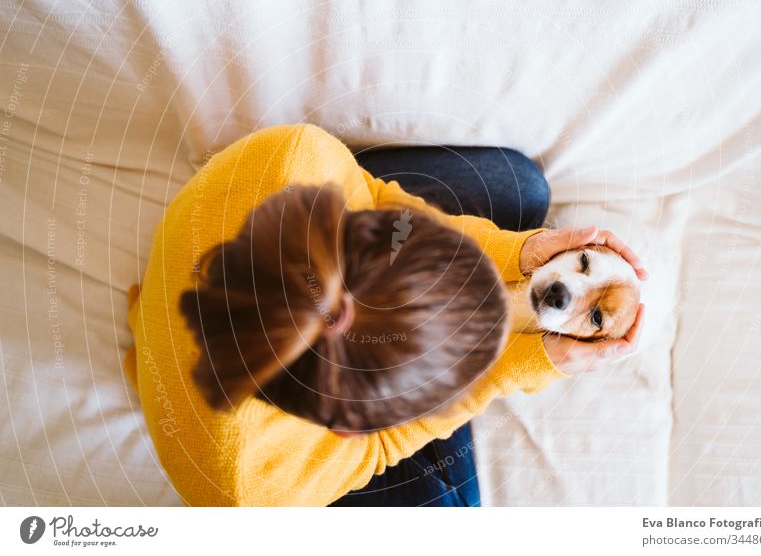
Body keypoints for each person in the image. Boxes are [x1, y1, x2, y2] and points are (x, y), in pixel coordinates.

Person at [124, 124, 645, 506]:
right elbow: (384, 445)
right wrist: (525, 364)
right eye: (581, 265)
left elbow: (382, 207)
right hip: (241, 406)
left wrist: (521, 252)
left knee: (522, 188)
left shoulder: (296, 165)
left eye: (594, 315)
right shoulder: (256, 479)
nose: (567, 292)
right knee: (450, 509)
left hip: (238, 211)